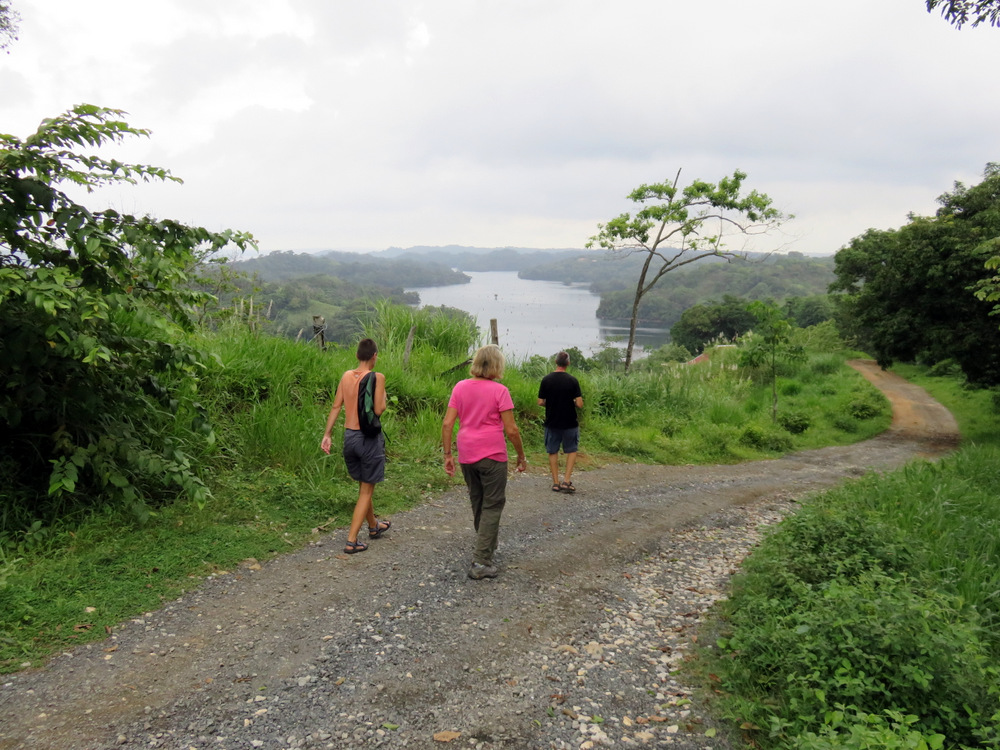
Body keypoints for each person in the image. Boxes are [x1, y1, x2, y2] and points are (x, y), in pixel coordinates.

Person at [441, 345, 527, 579]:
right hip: (492, 454)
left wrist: (448, 455)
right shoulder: (500, 391)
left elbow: (447, 424)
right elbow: (511, 429)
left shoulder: (460, 387)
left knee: (478, 499)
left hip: (467, 453)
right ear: (497, 365)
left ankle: (485, 544)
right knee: (493, 503)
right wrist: (521, 455)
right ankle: (481, 561)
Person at [321, 338, 391, 554]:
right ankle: (351, 541)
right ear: (374, 356)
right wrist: (384, 396)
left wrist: (327, 434)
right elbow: (378, 409)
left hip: (349, 437)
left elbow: (336, 406)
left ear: (357, 355)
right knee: (366, 490)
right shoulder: (377, 377)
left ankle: (374, 526)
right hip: (368, 439)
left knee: (363, 487)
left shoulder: (346, 376)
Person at [537, 350, 584, 493]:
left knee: (553, 451)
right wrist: (571, 402)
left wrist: (551, 403)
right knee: (572, 450)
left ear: (556, 362)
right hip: (570, 422)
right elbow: (580, 404)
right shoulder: (572, 380)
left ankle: (556, 483)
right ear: (568, 363)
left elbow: (540, 402)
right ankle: (566, 481)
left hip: (552, 422)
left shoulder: (546, 380)